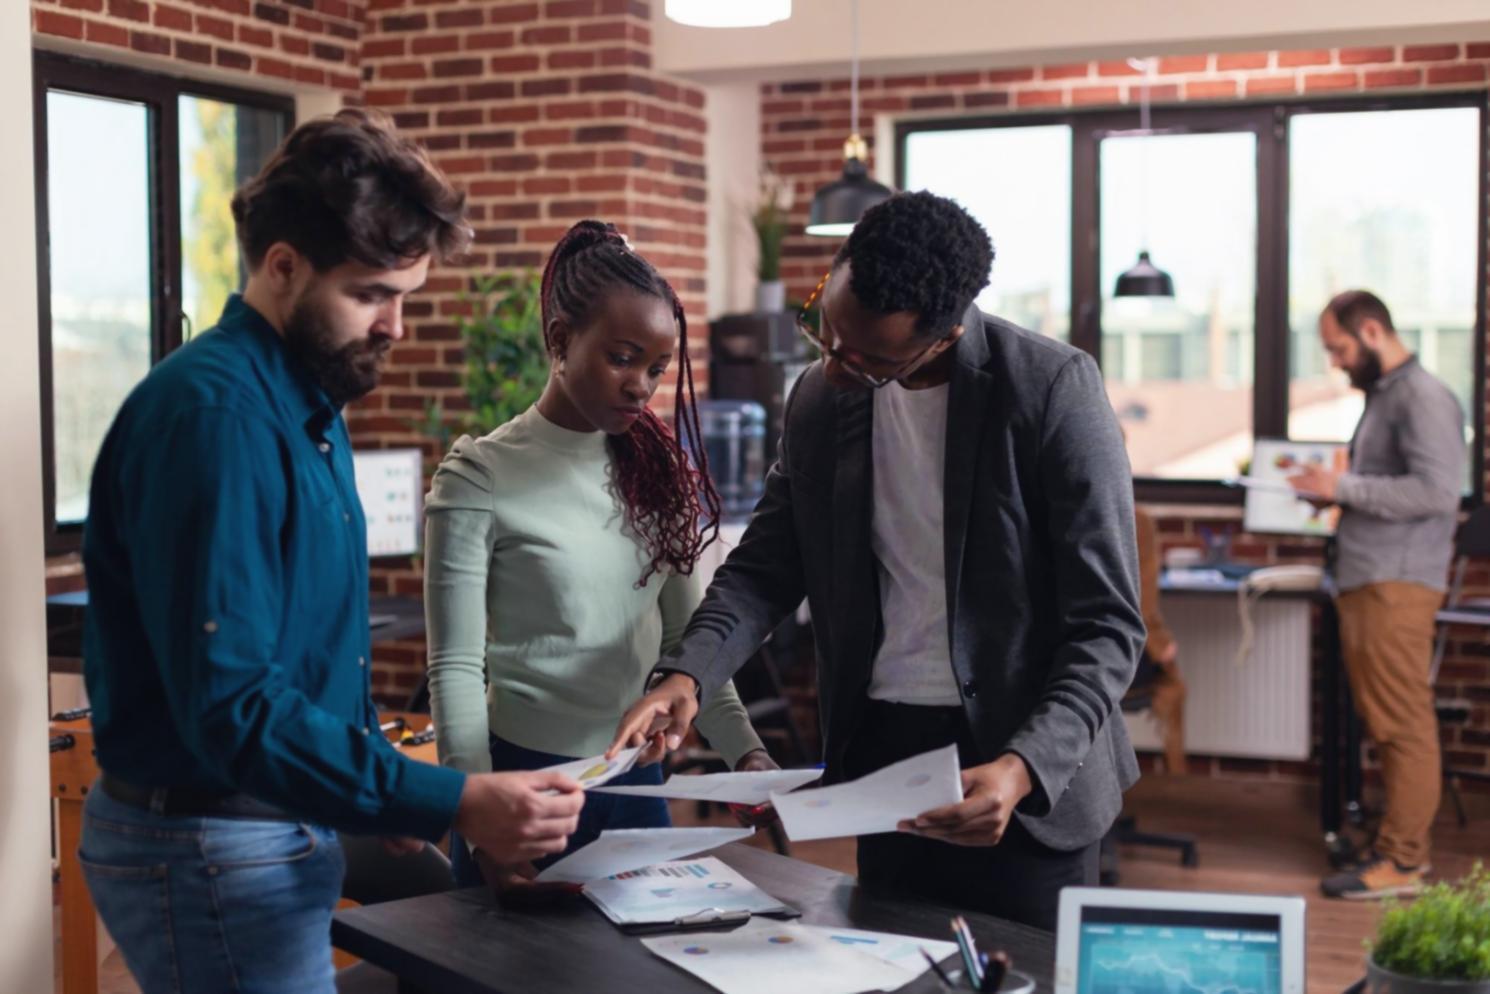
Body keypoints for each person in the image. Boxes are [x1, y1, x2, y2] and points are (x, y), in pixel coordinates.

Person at [78, 109, 583, 994]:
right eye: (372, 294)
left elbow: (308, 655)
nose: (395, 326)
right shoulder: (217, 421)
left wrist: (377, 795)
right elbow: (234, 705)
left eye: (404, 297)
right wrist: (447, 798)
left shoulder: (306, 402)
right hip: (210, 840)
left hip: (272, 820)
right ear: (283, 267)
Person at [611, 191, 1144, 931]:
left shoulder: (1052, 389)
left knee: (1025, 975)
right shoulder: (819, 399)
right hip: (883, 757)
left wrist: (1022, 768)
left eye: (866, 362)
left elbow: (1107, 625)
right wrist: (687, 674)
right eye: (824, 330)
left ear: (944, 336)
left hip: (1023, 759)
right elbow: (765, 568)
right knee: (893, 962)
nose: (833, 366)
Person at [424, 220, 775, 891]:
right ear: (561, 341)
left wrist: (747, 754)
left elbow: (686, 645)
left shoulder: (657, 475)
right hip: (522, 790)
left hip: (637, 787)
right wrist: (478, 817)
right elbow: (456, 669)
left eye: (657, 369)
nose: (641, 386)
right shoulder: (479, 476)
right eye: (622, 358)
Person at [1288, 290, 1463, 900]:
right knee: (1388, 722)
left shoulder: (1422, 397)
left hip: (1397, 583)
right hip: (1372, 578)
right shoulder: (1387, 395)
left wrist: (1342, 487)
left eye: (1338, 348)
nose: (1335, 362)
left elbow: (1438, 492)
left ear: (1369, 331)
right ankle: (1396, 847)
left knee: (1402, 724)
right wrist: (1336, 494)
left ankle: (1405, 862)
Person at [1131, 506, 1186, 773]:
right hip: (1114, 665)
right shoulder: (1135, 520)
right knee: (1166, 668)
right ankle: (1177, 778)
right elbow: (1144, 606)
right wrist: (1160, 643)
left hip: (1046, 664)